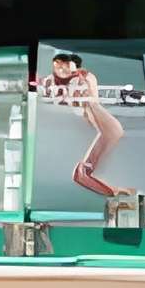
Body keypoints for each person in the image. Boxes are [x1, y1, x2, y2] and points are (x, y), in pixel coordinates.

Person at [36, 50, 126, 201]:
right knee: (113, 131)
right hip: (84, 109)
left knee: (113, 131)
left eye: (63, 66)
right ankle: (85, 170)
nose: (60, 70)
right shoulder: (55, 81)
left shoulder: (84, 77)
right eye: (57, 66)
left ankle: (86, 169)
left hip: (88, 107)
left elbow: (92, 98)